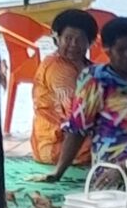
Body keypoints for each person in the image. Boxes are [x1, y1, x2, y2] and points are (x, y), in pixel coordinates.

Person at [41, 16, 127, 181]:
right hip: (116, 161)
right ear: (107, 50)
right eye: (120, 50)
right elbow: (78, 129)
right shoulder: (95, 79)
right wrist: (58, 171)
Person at [30, 9, 97, 167]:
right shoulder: (57, 69)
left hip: (77, 138)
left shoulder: (88, 67)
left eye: (80, 40)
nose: (73, 44)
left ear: (90, 42)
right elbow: (76, 112)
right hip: (55, 144)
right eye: (68, 38)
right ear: (57, 39)